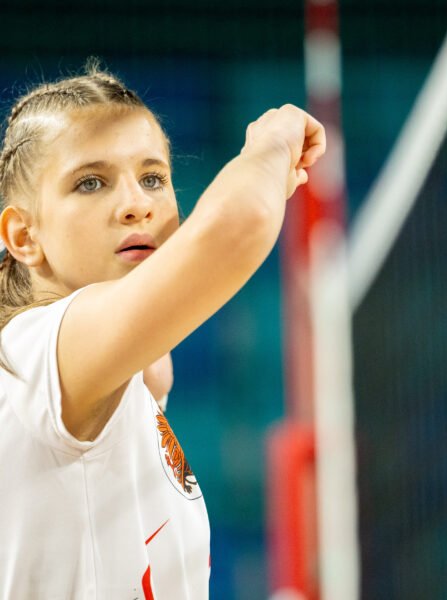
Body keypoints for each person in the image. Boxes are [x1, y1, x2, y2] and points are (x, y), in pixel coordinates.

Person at [0, 61, 325, 599]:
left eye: (152, 178)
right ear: (23, 236)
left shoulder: (126, 381)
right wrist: (270, 145)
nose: (137, 205)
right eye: (90, 182)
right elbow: (236, 227)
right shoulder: (41, 351)